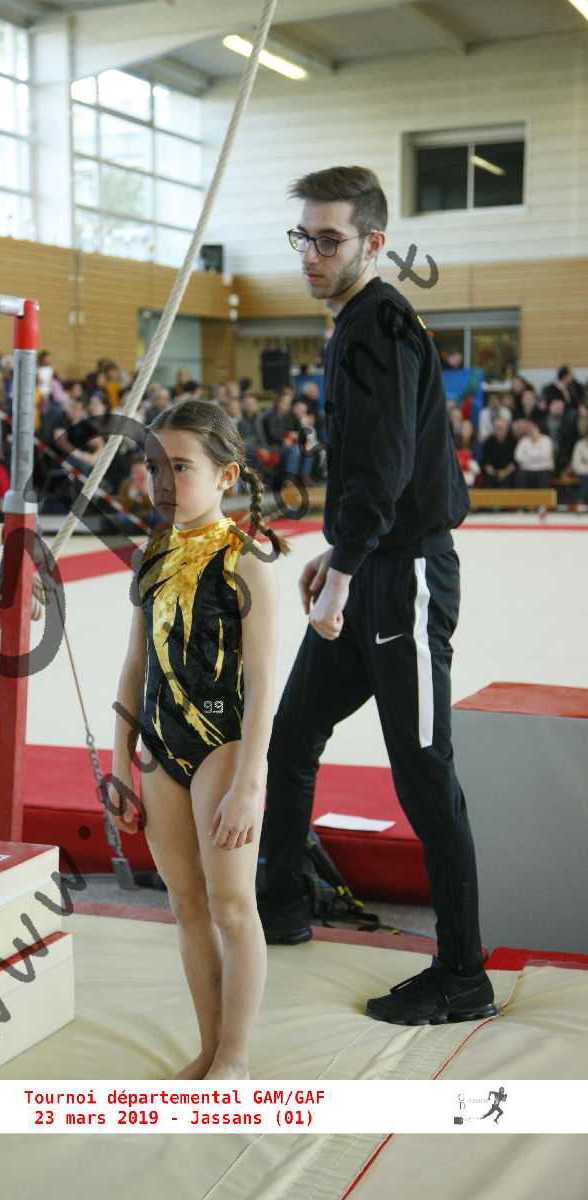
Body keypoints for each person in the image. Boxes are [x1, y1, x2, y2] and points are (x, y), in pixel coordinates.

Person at [258, 164, 498, 1026]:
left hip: (405, 581)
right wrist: (341, 552)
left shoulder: (381, 323)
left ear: (373, 243)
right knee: (293, 734)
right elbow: (372, 464)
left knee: (424, 773)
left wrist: (346, 573)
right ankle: (280, 905)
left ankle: (464, 974)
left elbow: (389, 465)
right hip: (370, 567)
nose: (311, 255)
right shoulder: (354, 323)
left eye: (330, 240)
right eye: (304, 237)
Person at [109, 398, 290, 1081]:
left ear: (226, 475)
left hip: (222, 744)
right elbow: (134, 666)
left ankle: (235, 1053)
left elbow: (265, 680)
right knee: (186, 907)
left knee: (232, 906)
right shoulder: (151, 555)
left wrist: (250, 781)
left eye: (180, 467)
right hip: (160, 744)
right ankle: (209, 1046)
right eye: (155, 466)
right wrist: (118, 762)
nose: (163, 481)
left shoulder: (247, 560)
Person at [514, 421, 555, 487]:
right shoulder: (523, 441)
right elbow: (518, 457)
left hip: (543, 469)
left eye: (534, 429)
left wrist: (528, 457)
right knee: (520, 477)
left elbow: (545, 456)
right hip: (526, 470)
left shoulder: (546, 440)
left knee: (544, 478)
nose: (532, 431)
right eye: (530, 429)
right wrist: (536, 457)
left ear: (539, 429)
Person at [479, 416, 516, 487]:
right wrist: (494, 473)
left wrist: (504, 473)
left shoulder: (513, 441)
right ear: (494, 428)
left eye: (501, 427)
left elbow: (514, 462)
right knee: (487, 479)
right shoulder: (488, 442)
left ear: (506, 428)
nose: (499, 430)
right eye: (497, 428)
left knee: (511, 479)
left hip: (507, 472)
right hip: (492, 472)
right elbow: (485, 462)